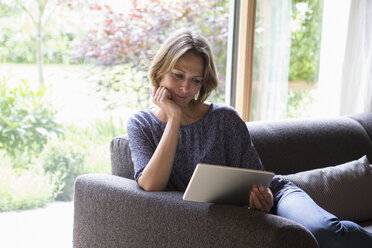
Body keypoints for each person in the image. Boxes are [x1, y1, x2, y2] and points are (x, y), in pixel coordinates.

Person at [127, 28, 372, 248]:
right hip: (230, 219)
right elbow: (151, 184)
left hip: (276, 197)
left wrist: (261, 199)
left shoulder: (224, 118)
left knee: (323, 232)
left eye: (195, 81)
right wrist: (174, 119)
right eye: (178, 75)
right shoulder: (141, 124)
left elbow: (260, 181)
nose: (185, 89)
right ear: (159, 71)